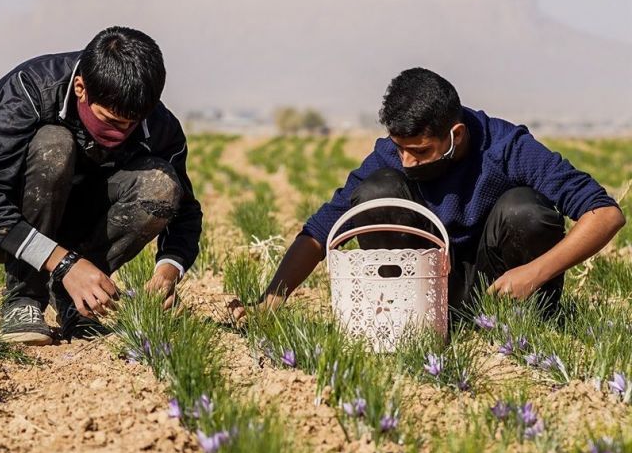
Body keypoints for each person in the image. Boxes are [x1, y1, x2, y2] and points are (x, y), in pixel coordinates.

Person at [232, 68, 626, 322]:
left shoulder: (506, 145)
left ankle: (528, 325)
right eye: (399, 147)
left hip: (503, 287)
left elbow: (605, 213)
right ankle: (407, 320)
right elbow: (321, 230)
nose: (407, 160)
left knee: (526, 210)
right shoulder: (392, 155)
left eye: (419, 151)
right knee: (377, 192)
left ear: (455, 135)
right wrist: (271, 301)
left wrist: (534, 273)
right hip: (427, 286)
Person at [0, 26, 202, 345]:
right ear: (81, 88)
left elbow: (186, 212)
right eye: (110, 121)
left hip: (75, 215)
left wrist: (169, 270)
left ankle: (77, 303)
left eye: (131, 124)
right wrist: (65, 264)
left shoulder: (159, 124)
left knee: (162, 184)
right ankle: (23, 300)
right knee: (54, 143)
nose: (121, 133)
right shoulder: (31, 88)